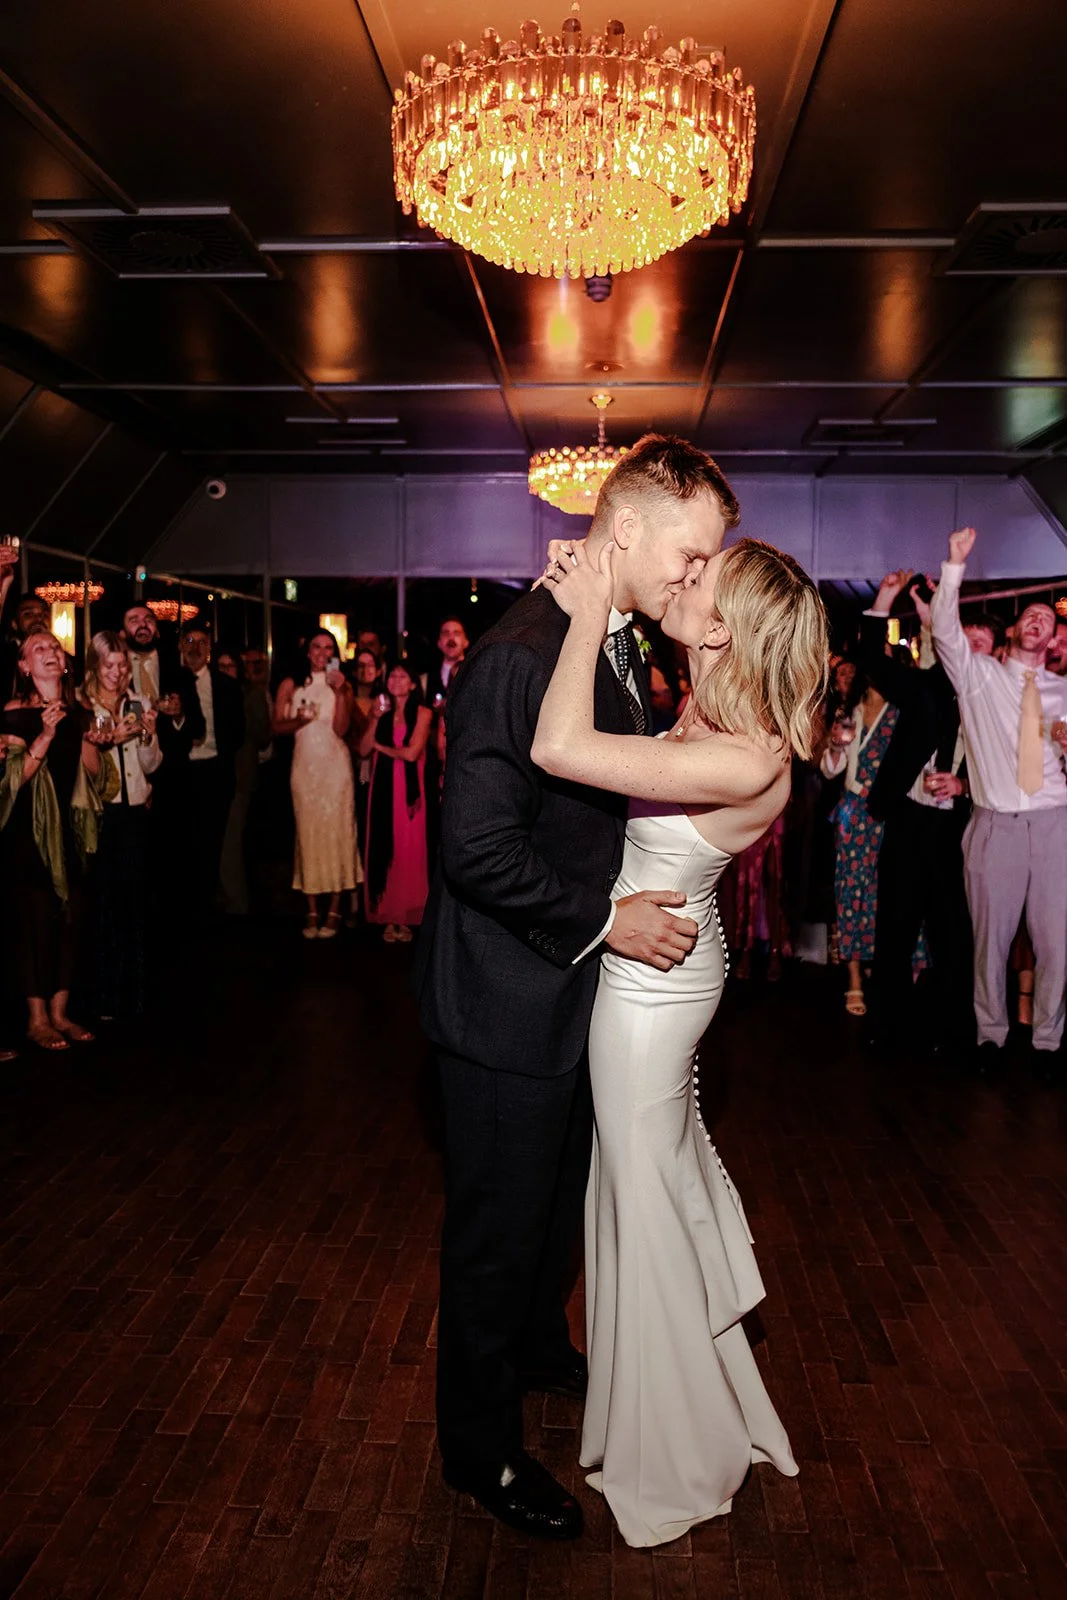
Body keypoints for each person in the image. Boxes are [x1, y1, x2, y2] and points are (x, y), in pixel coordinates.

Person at [413, 434, 735, 1541]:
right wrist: (609, 918)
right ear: (629, 527)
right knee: (495, 1235)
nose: (695, 576)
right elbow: (477, 852)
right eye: (690, 555)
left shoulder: (606, 638)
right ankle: (478, 1452)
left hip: (567, 995)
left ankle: (541, 1351)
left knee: (551, 1209)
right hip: (504, 1003)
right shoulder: (518, 652)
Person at [533, 532, 827, 1548]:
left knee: (642, 1201)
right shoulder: (712, 710)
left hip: (646, 1002)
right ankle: (683, 1401)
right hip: (653, 968)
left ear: (722, 626)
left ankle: (676, 1447)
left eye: (704, 575)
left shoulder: (746, 755)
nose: (686, 571)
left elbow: (562, 751)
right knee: (641, 1185)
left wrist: (580, 617)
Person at [931, 527, 1067, 1074]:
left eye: (1050, 619)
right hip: (995, 826)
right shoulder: (979, 678)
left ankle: (1050, 1042)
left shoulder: (1063, 691)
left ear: (1056, 638)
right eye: (1032, 615)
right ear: (1016, 628)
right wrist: (954, 565)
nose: (1040, 621)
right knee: (991, 941)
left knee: (1057, 945)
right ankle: (991, 1035)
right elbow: (944, 630)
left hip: (1055, 824)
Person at [858, 572, 994, 1054]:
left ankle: (955, 1034)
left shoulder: (996, 702)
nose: (973, 651)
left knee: (952, 934)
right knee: (895, 926)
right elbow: (872, 660)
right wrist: (886, 598)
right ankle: (886, 1028)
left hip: (957, 827)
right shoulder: (925, 687)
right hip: (910, 819)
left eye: (984, 644)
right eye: (968, 640)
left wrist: (964, 785)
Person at [0, 630, 105, 1049]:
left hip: (71, 828)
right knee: (33, 921)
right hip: (27, 831)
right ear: (24, 666)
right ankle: (36, 1018)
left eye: (54, 647)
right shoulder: (13, 711)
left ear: (65, 663)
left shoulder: (80, 712)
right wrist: (42, 736)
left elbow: (95, 776)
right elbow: (10, 782)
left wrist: (94, 744)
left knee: (70, 917)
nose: (49, 652)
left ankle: (61, 1013)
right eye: (37, 649)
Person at [80, 630, 162, 1018]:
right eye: (108, 664)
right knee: (103, 902)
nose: (116, 672)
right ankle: (104, 993)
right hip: (101, 812)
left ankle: (136, 989)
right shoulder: (83, 704)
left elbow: (151, 765)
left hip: (134, 812)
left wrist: (147, 733)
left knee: (135, 900)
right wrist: (112, 737)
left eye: (121, 664)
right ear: (95, 665)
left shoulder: (138, 701)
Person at [273, 632, 360, 938]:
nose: (322, 653)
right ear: (307, 652)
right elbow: (276, 725)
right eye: (317, 647)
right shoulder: (291, 684)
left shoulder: (343, 685)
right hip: (304, 767)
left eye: (328, 648)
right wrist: (299, 720)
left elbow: (342, 729)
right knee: (308, 833)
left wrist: (338, 693)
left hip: (335, 768)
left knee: (337, 833)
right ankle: (311, 910)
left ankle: (335, 909)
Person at [175, 624, 245, 912]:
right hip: (182, 770)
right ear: (180, 646)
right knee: (184, 838)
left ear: (210, 649)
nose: (195, 648)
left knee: (213, 838)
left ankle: (207, 902)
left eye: (202, 642)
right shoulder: (171, 681)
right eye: (189, 641)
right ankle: (185, 903)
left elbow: (238, 730)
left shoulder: (226, 685)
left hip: (216, 769)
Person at [360, 661, 432, 941]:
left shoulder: (423, 713)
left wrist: (380, 747)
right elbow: (363, 749)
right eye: (393, 675)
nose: (396, 679)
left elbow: (412, 754)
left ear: (413, 684)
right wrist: (376, 719)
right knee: (384, 845)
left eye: (403, 675)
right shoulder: (380, 710)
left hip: (409, 791)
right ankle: (388, 914)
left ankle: (408, 915)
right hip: (383, 787)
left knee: (408, 850)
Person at [219, 647, 274, 917]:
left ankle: (238, 901)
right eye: (221, 666)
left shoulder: (251, 694)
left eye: (231, 666)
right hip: (215, 775)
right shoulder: (210, 692)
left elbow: (263, 735)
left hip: (241, 776)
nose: (226, 671)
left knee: (233, 841)